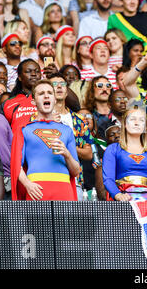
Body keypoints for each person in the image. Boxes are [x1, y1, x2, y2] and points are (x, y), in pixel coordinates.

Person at [11, 79, 81, 201]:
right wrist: (28, 184)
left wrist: (67, 154)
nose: (46, 95)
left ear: (54, 99)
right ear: (33, 101)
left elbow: (75, 172)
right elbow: (17, 165)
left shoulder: (66, 130)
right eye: (41, 93)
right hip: (36, 189)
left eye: (49, 92)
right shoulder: (24, 129)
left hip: (63, 188)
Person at [101, 106, 147, 201]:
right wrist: (118, 195)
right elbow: (108, 179)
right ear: (125, 124)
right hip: (122, 200)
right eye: (132, 119)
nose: (136, 123)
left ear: (145, 127)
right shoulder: (113, 149)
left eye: (141, 120)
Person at [48, 73, 94, 201]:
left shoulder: (79, 120)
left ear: (67, 91)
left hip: (74, 181)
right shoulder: (38, 118)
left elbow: (89, 153)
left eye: (62, 84)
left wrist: (67, 148)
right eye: (54, 84)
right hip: (48, 178)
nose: (59, 87)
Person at [2, 59, 41, 132]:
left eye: (37, 71)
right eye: (28, 71)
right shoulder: (8, 102)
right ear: (19, 77)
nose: (33, 74)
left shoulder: (48, 98)